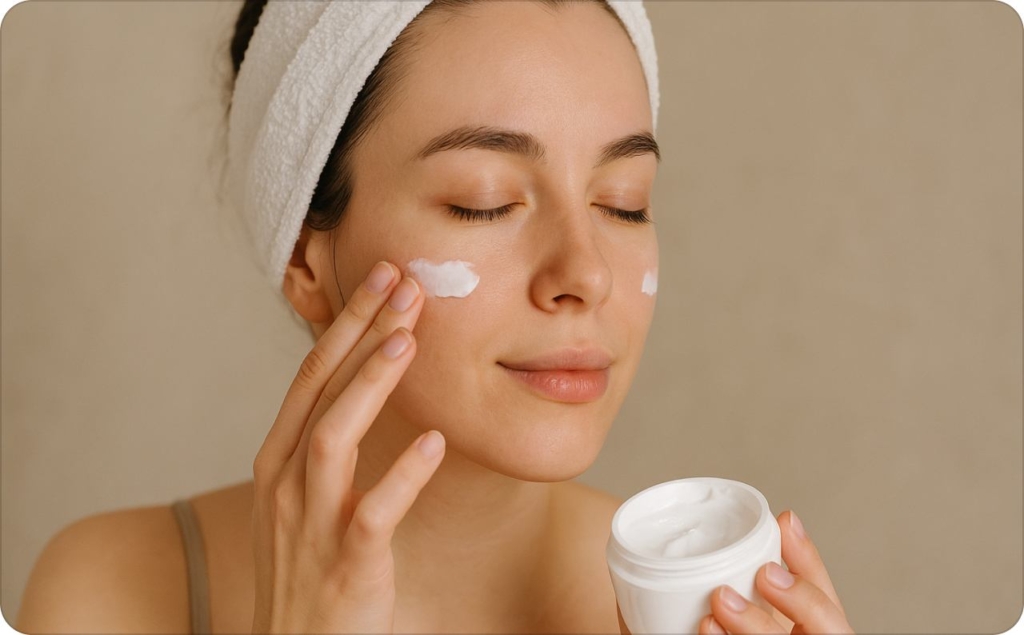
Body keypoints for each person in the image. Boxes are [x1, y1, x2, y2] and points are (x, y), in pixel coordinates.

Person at [16, 1, 855, 633]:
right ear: (306, 261)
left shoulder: (707, 598)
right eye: (483, 203)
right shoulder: (113, 595)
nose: (585, 272)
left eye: (623, 203)